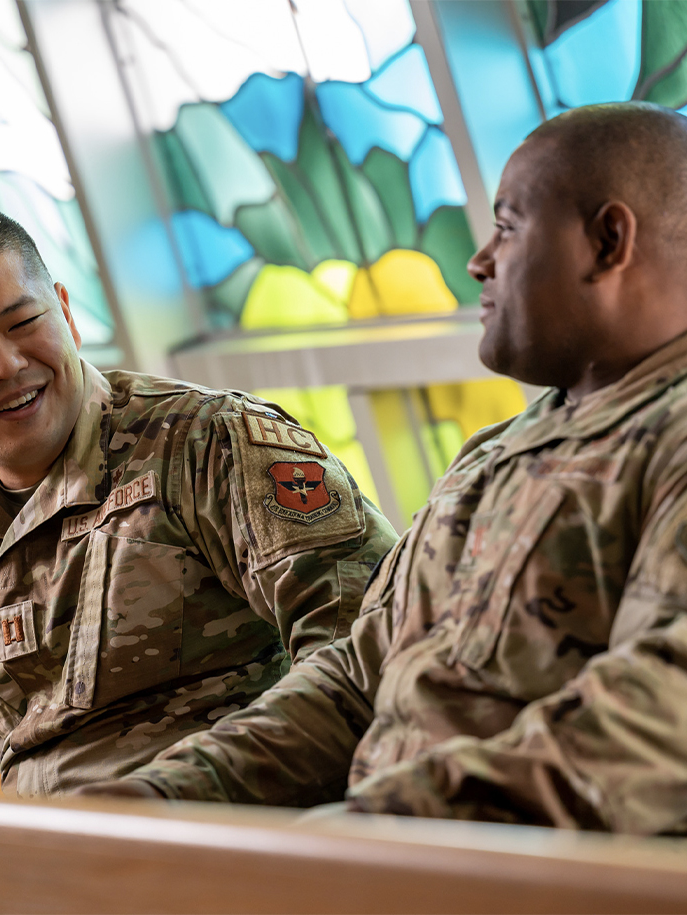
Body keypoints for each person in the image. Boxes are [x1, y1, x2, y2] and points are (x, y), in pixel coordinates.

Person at [78, 102, 687, 835]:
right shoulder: (493, 456)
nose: (479, 260)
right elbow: (355, 680)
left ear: (607, 240)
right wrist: (166, 794)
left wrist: (368, 830)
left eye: (508, 225)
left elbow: (659, 717)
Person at [0, 194, 396, 796]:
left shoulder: (209, 443)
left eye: (23, 322)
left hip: (247, 831)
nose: (4, 365)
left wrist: (166, 798)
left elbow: (369, 644)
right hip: (56, 871)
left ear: (66, 312)